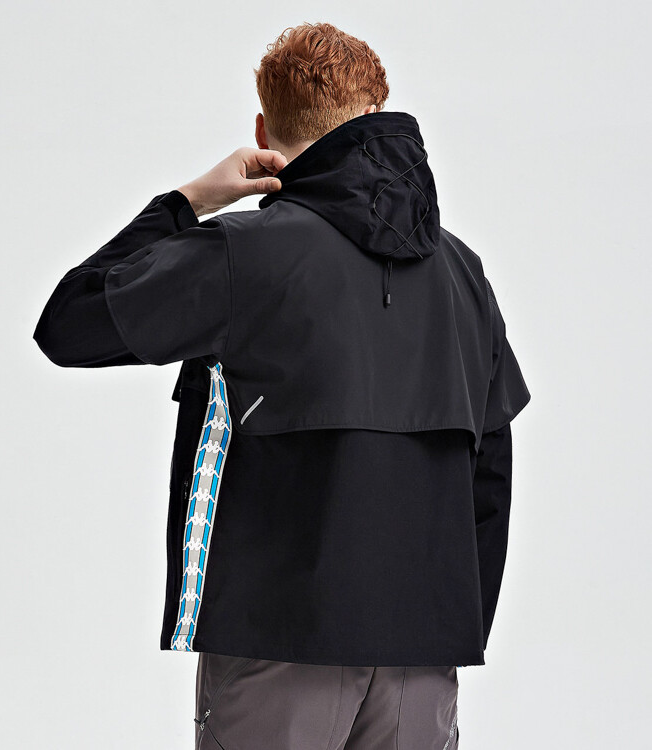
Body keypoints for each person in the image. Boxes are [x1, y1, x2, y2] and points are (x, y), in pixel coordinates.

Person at [33, 21, 531, 750]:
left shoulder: (243, 253)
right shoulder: (465, 274)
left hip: (278, 647)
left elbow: (69, 324)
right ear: (375, 112)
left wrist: (186, 203)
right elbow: (491, 469)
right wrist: (448, 628)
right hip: (422, 661)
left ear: (264, 129)